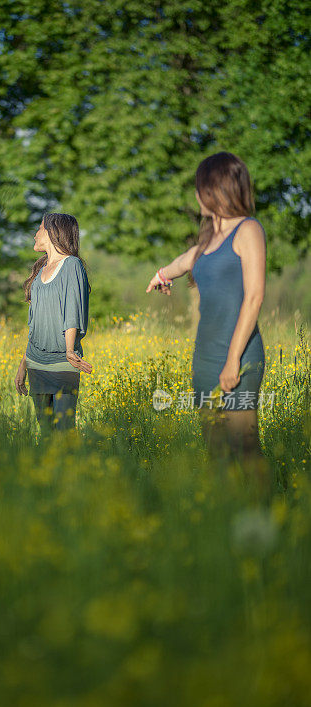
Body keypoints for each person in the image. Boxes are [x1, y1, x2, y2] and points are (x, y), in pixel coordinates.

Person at [146, 152, 272, 493]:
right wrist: (161, 274)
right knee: (215, 453)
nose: (196, 195)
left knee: (245, 450)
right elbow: (184, 261)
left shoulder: (248, 230)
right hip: (204, 360)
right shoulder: (209, 238)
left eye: (200, 187)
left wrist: (233, 361)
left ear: (216, 189)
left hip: (240, 356)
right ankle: (225, 520)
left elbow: (254, 297)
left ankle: (268, 520)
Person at [14, 212, 92, 434]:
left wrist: (69, 350)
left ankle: (72, 469)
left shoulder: (72, 265)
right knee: (46, 432)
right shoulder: (39, 271)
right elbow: (35, 323)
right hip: (36, 362)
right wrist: (24, 363)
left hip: (62, 362)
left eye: (39, 229)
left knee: (65, 430)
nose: (35, 235)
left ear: (51, 232)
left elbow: (72, 310)